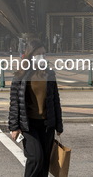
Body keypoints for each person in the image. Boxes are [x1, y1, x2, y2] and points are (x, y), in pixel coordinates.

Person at [9, 40, 63, 177]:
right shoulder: (21, 75)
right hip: (29, 125)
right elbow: (15, 102)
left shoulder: (49, 74)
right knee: (36, 158)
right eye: (38, 54)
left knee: (44, 162)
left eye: (44, 54)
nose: (42, 56)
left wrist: (58, 125)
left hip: (47, 124)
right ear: (30, 55)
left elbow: (55, 100)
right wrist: (14, 126)